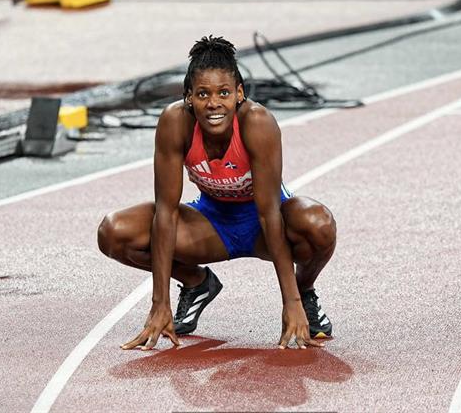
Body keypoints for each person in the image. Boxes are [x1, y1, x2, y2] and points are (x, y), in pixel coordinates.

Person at [98, 35, 336, 350]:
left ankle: (305, 293)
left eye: (224, 93)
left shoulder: (257, 123)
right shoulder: (175, 123)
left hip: (266, 226)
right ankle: (196, 283)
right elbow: (166, 212)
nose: (213, 104)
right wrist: (160, 302)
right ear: (188, 98)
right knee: (114, 232)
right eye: (203, 94)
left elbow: (269, 214)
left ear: (239, 94)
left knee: (318, 224)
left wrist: (290, 299)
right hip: (211, 224)